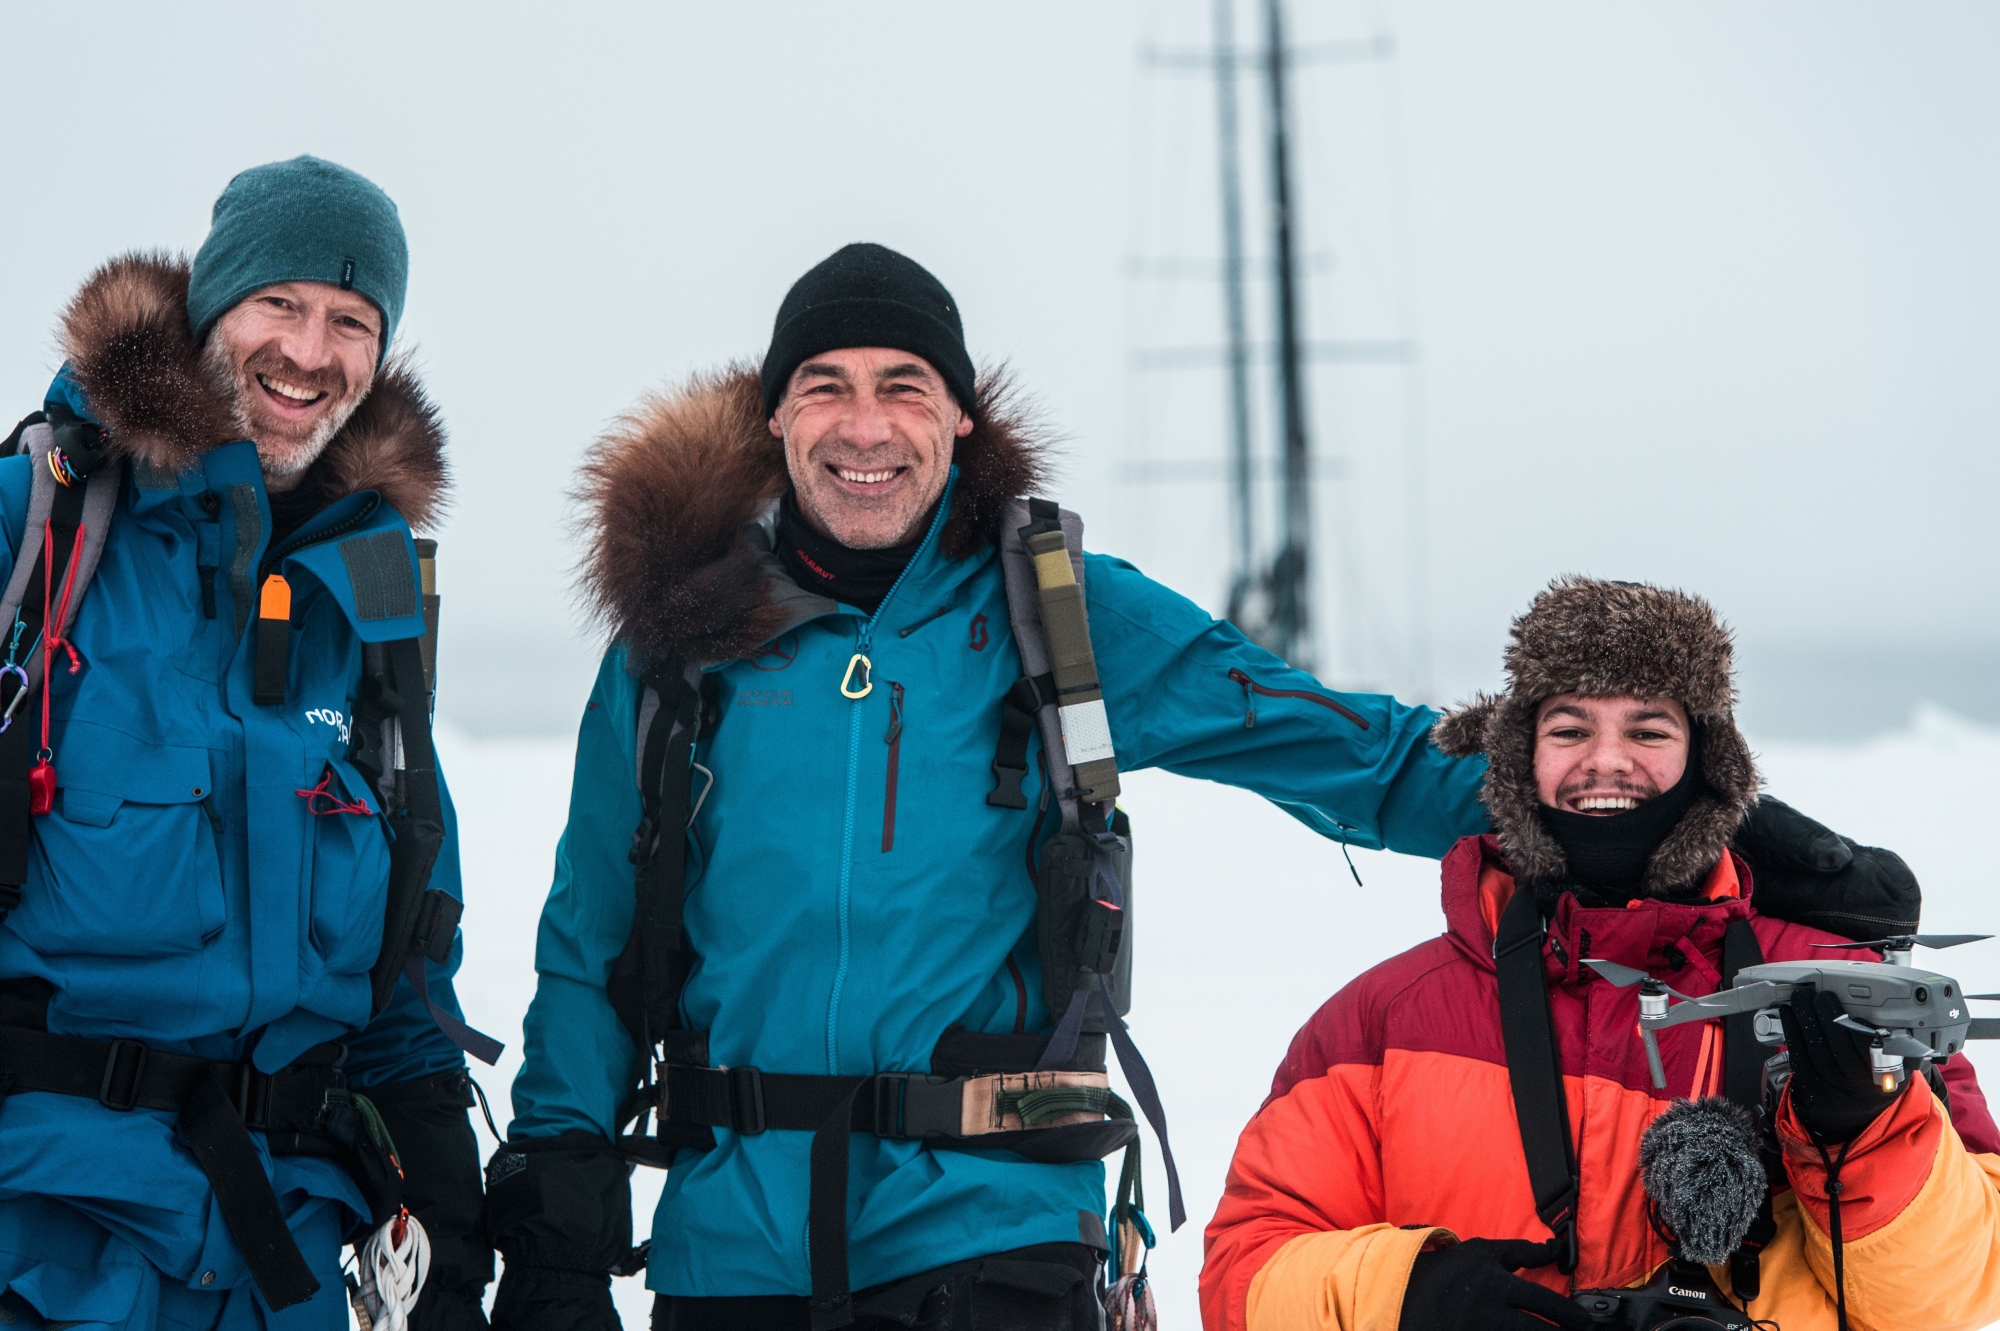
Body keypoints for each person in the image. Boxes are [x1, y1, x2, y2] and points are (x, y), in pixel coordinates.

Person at [488, 246, 1912, 1331]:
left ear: (962, 421)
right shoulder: (678, 655)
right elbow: (594, 943)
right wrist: (556, 1195)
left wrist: (1673, 819)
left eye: (903, 387)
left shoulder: (1053, 611)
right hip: (734, 1239)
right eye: (827, 388)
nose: (866, 427)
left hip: (992, 1230)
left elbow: (1340, 746)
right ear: (775, 419)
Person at [1200, 578, 2000, 1331]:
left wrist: (1866, 1127)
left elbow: (1949, 1296)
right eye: (1570, 729)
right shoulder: (1377, 1022)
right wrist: (1405, 1295)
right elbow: (1242, 1273)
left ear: (1707, 760)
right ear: (1523, 760)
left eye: (1649, 729)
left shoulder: (1844, 993)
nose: (1606, 761)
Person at [0, 157, 492, 1330]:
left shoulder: (372, 598)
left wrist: (456, 1251)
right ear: (214, 304)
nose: (309, 352)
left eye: (351, 319)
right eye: (279, 303)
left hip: (293, 1266)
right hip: (48, 1241)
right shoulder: (37, 529)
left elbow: (404, 985)